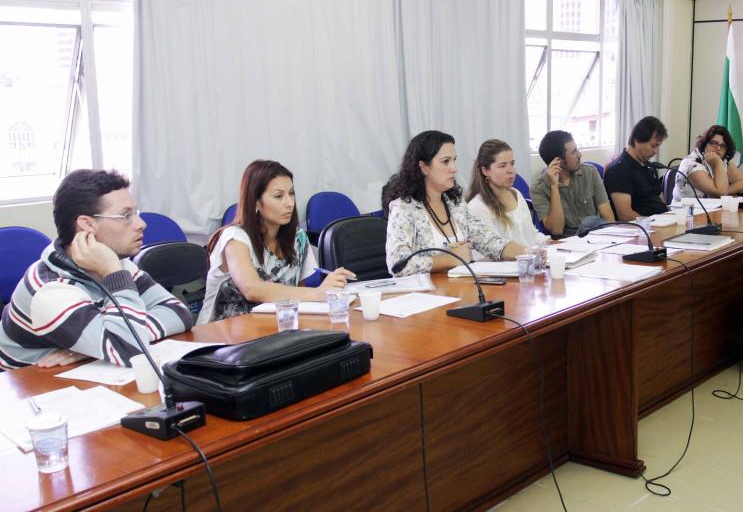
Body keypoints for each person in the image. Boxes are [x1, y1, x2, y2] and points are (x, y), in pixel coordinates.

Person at [0, 170, 192, 370]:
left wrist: (104, 342)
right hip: (30, 387)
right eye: (126, 215)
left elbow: (179, 313)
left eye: (136, 213)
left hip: (83, 373)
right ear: (87, 224)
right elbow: (130, 350)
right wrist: (113, 276)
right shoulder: (49, 290)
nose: (141, 224)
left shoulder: (117, 261)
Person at [198, 160, 352, 324]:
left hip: (274, 331)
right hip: (221, 336)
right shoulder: (234, 238)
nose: (289, 203)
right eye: (279, 196)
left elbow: (296, 295)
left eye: (291, 193)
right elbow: (251, 288)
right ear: (256, 201)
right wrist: (317, 293)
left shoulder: (298, 238)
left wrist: (327, 290)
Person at [385, 130, 527, 276]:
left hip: (462, 290)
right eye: (446, 161)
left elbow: (489, 241)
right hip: (427, 295)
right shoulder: (404, 208)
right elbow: (397, 264)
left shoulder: (456, 203)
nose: (454, 168)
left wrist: (529, 255)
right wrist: (450, 258)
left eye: (454, 160)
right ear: (423, 167)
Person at [466, 139, 549, 248]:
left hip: (530, 260)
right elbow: (494, 251)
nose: (511, 170)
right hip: (509, 263)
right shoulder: (477, 206)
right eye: (503, 165)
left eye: (512, 163)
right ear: (485, 171)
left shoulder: (516, 194)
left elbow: (532, 236)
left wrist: (554, 244)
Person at [530, 130, 615, 237]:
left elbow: (609, 220)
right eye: (574, 152)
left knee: (590, 222)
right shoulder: (539, 188)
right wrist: (554, 186)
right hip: (566, 245)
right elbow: (557, 230)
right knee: (588, 222)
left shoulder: (590, 173)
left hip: (595, 236)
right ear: (559, 161)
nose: (580, 154)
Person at [604, 116, 669, 221]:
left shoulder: (649, 167)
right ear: (637, 140)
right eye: (653, 146)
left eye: (658, 146)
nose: (656, 151)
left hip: (660, 224)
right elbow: (625, 215)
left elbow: (661, 201)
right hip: (641, 229)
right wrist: (655, 223)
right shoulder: (619, 170)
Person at [672, 125, 743, 201]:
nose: (718, 148)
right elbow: (721, 193)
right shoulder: (691, 164)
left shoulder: (724, 160)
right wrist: (717, 163)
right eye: (714, 143)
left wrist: (724, 190)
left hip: (710, 210)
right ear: (705, 144)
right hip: (687, 211)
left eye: (723, 146)